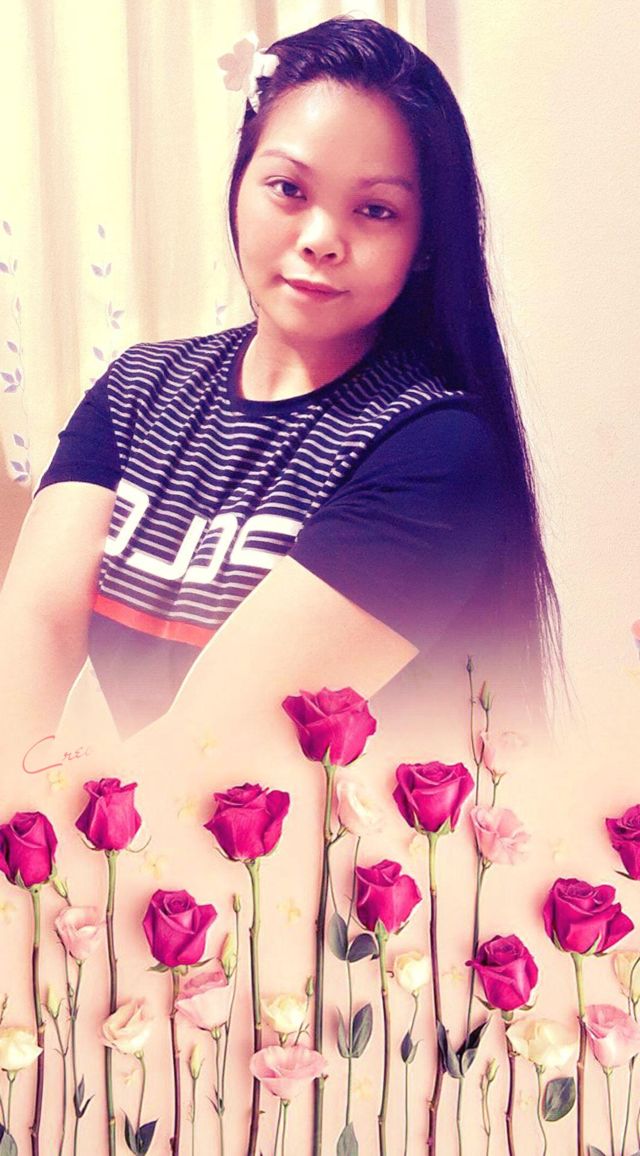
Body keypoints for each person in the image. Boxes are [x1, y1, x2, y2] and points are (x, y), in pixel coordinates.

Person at [0, 16, 561, 768]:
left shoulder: (440, 452)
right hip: (104, 831)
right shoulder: (136, 390)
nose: (322, 237)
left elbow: (204, 751)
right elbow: (30, 638)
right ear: (240, 186)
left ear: (424, 243)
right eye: (289, 189)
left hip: (279, 844)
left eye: (375, 209)